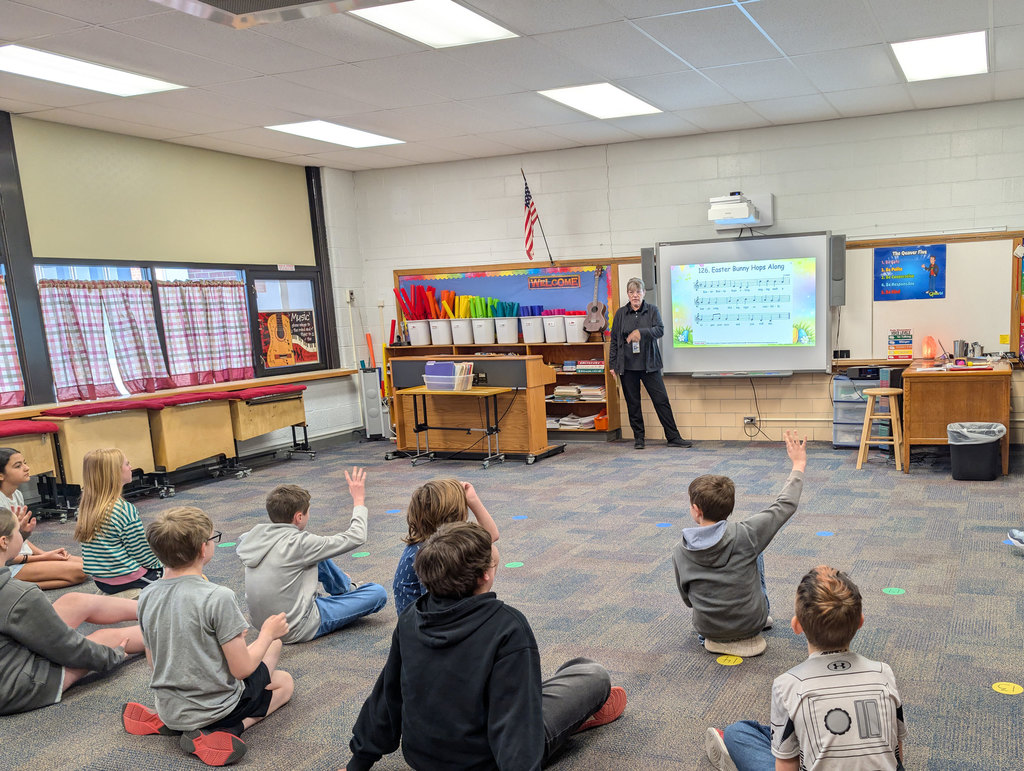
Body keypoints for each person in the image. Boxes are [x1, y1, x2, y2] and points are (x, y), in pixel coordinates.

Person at [343, 521, 627, 771]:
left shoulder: (411, 617)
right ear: (485, 577)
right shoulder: (507, 627)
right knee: (591, 674)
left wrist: (359, 763)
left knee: (526, 690)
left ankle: (560, 714)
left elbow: (386, 696)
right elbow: (513, 729)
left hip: (423, 758)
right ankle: (571, 718)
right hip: (486, 760)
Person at [124, 506, 294, 767]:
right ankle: (230, 729)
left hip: (170, 705)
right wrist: (268, 633)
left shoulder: (146, 595)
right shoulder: (218, 596)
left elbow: (153, 661)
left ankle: (166, 722)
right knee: (283, 680)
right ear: (204, 549)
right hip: (216, 710)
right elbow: (241, 669)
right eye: (213, 538)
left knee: (262, 655)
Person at [705, 565, 907, 771]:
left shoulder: (788, 685)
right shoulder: (884, 673)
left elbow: (786, 766)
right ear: (860, 623)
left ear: (796, 626)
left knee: (738, 733)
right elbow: (896, 751)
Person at [673, 430, 806, 656]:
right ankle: (762, 619)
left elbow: (688, 600)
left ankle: (716, 633)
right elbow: (785, 504)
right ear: (730, 508)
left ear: (696, 510)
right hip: (751, 625)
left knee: (752, 548)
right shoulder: (747, 534)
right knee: (755, 550)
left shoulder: (680, 550)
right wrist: (799, 463)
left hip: (709, 630)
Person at [0, 505, 143, 715]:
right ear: (4, 542)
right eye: (17, 531)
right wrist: (113, 655)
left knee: (74, 601)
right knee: (103, 639)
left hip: (7, 663)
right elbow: (69, 649)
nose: (20, 534)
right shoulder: (18, 594)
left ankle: (156, 608)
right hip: (14, 687)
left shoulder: (15, 593)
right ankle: (173, 625)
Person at [236, 470, 387, 644]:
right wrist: (359, 500)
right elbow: (356, 537)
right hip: (295, 627)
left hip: (262, 625)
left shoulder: (251, 538)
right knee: (377, 593)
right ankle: (345, 589)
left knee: (317, 552)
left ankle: (343, 588)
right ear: (299, 517)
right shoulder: (300, 544)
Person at [393, 478, 499, 616]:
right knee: (487, 555)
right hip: (427, 625)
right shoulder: (429, 554)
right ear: (454, 514)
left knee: (490, 551)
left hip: (434, 615)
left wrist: (473, 500)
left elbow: (491, 536)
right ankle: (479, 611)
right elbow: (435, 606)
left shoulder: (441, 543)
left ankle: (478, 608)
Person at [608, 276, 690, 449]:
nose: (635, 295)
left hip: (649, 365)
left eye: (638, 291)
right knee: (633, 403)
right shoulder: (621, 314)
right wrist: (613, 364)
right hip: (628, 367)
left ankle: (673, 437)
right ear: (628, 294)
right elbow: (614, 340)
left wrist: (641, 332)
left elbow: (660, 330)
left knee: (661, 401)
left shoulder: (652, 310)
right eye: (631, 292)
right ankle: (639, 439)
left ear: (644, 293)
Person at [75, 448, 162, 597]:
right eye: (127, 464)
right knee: (178, 572)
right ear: (114, 473)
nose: (131, 468)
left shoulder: (86, 507)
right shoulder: (124, 510)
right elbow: (141, 554)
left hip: (102, 580)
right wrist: (162, 562)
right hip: (128, 578)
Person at [0, 447, 87, 589]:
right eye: (18, 466)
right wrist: (45, 557)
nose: (26, 468)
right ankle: (13, 586)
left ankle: (19, 586)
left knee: (89, 565)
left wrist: (46, 553)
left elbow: (21, 540)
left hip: (24, 558)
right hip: (8, 565)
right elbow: (6, 555)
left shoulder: (17, 495)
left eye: (24, 463)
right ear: (1, 475)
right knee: (81, 572)